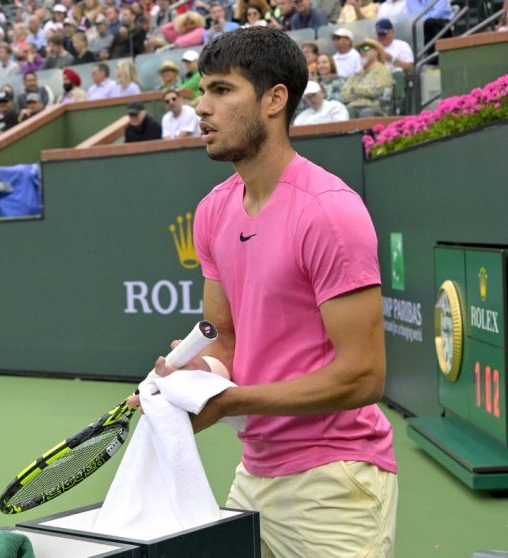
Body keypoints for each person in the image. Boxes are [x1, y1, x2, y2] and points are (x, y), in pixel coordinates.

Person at [130, 27, 397, 557]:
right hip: (254, 474)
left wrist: (230, 402)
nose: (201, 107)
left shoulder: (329, 211)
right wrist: (193, 379)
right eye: (202, 90)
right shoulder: (213, 209)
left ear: (275, 100)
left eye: (222, 90)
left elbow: (364, 375)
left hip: (335, 482)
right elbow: (224, 337)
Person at [341, 38, 393, 117]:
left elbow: (375, 90)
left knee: (365, 113)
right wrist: (361, 91)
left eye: (366, 48)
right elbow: (344, 94)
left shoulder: (384, 71)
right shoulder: (356, 74)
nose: (362, 52)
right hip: (352, 108)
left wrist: (354, 89)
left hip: (374, 109)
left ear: (376, 51)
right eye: (359, 50)